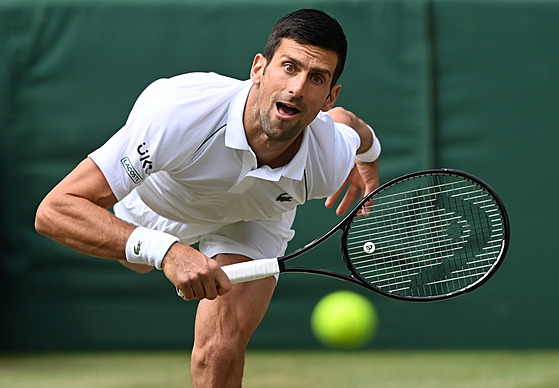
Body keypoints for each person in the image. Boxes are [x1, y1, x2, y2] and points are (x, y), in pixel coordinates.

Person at [35, 8, 381, 387]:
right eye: (288, 67)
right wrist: (166, 251)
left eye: (316, 78)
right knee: (135, 261)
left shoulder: (328, 159)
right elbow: (54, 210)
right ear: (258, 68)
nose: (297, 88)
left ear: (329, 97)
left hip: (254, 217)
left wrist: (368, 155)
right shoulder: (179, 114)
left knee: (219, 350)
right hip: (156, 203)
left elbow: (352, 126)